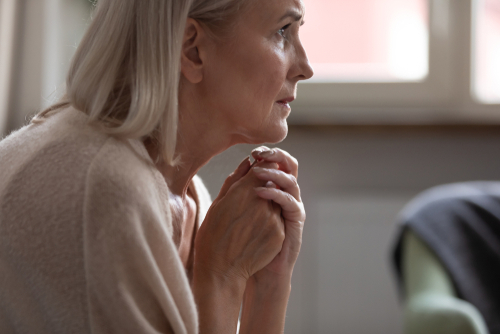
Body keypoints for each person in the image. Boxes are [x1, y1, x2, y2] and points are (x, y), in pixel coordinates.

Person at [0, 0, 313, 333]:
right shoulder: (107, 193)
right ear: (193, 49)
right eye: (282, 30)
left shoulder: (190, 197)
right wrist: (221, 280)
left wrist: (268, 287)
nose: (305, 67)